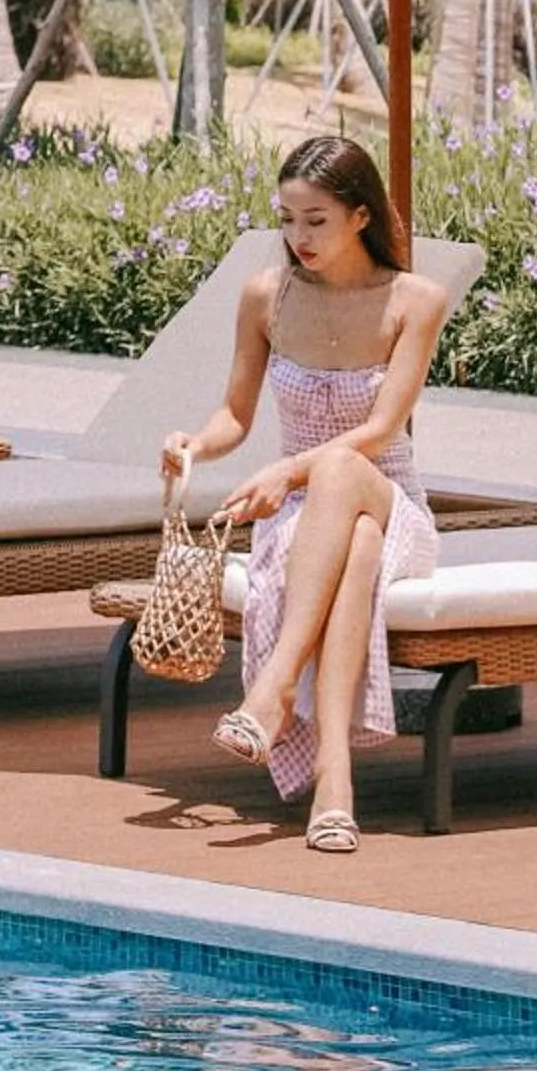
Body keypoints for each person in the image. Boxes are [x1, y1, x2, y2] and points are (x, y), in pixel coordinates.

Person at [159, 134, 447, 855]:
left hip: (391, 496)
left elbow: (380, 432)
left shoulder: (415, 301)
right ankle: (334, 782)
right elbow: (236, 415)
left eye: (315, 220)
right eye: (286, 219)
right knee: (354, 547)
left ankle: (274, 687)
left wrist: (288, 471)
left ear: (360, 215)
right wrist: (194, 444)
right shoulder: (267, 295)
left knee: (344, 478)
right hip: (307, 522)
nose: (298, 237)